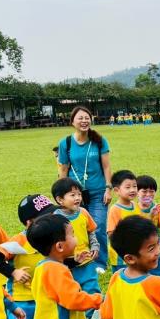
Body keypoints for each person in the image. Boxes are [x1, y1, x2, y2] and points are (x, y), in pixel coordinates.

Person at [0, 194, 56, 319]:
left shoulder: (53, 236)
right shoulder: (18, 240)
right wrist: (13, 272)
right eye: (47, 216)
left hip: (46, 295)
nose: (52, 218)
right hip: (21, 299)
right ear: (29, 222)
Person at [56, 106, 112, 268]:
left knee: (98, 226)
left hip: (98, 192)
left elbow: (107, 167)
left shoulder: (99, 141)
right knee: (75, 226)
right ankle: (77, 258)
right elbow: (63, 170)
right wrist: (62, 194)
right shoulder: (66, 143)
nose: (84, 121)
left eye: (87, 117)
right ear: (72, 122)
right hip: (75, 194)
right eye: (80, 118)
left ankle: (99, 263)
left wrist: (108, 188)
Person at [51, 177, 103, 319]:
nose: (78, 198)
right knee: (72, 291)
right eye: (72, 195)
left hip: (87, 262)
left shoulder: (84, 213)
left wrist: (95, 246)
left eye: (79, 194)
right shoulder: (56, 218)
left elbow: (91, 232)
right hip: (68, 264)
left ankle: (93, 318)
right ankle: (75, 318)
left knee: (92, 287)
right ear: (60, 200)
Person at [105, 170, 140, 272]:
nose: (132, 190)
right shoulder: (115, 210)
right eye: (128, 187)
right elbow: (111, 233)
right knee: (121, 277)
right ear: (116, 191)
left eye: (134, 186)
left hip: (135, 251)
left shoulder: (136, 205)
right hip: (120, 255)